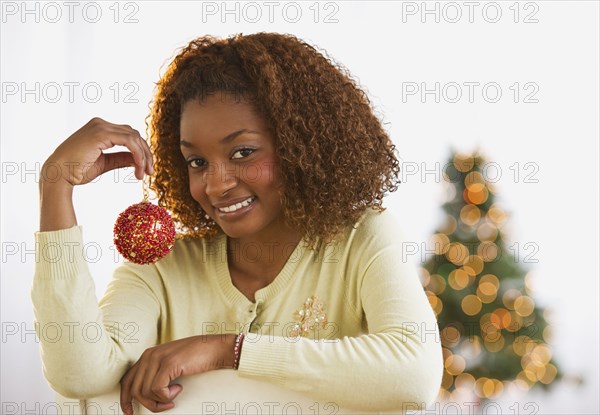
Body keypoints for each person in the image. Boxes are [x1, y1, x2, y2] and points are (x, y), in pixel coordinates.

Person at [32, 32, 443, 414]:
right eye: (197, 162)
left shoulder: (363, 238)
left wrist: (228, 350)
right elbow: (81, 378)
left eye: (243, 152)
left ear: (299, 146)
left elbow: (414, 375)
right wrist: (56, 188)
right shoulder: (162, 266)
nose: (216, 184)